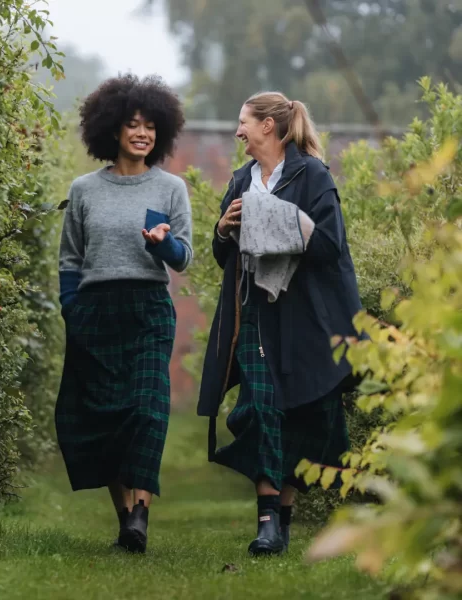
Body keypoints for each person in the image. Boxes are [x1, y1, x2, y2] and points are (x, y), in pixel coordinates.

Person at [198, 91, 362, 556]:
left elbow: (329, 244)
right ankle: (267, 519)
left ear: (269, 126)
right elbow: (221, 257)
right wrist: (224, 230)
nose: (238, 132)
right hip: (253, 314)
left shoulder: (311, 175)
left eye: (244, 122)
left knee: (301, 414)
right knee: (261, 407)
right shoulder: (239, 180)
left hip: (304, 317)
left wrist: (273, 219)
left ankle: (281, 516)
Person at [55, 74, 192, 554]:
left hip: (149, 309)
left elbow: (184, 258)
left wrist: (165, 244)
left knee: (146, 411)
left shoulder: (171, 188)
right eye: (133, 124)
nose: (142, 133)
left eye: (151, 126)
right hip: (94, 310)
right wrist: (71, 307)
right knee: (104, 419)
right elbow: (70, 257)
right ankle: (125, 521)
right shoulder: (85, 190)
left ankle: (141, 513)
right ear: (112, 129)